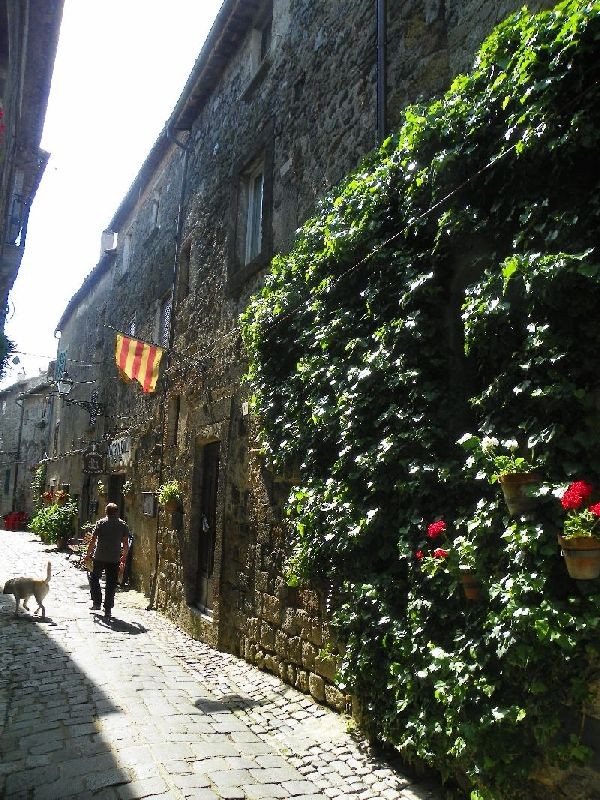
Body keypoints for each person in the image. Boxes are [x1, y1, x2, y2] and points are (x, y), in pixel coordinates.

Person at [86, 502, 129, 622]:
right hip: (114, 558)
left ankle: (97, 602)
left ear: (106, 512)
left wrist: (88, 554)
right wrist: (123, 557)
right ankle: (108, 608)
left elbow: (93, 540)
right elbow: (125, 544)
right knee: (111, 583)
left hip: (99, 556)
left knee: (94, 578)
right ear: (116, 512)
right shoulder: (122, 525)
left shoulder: (100, 523)